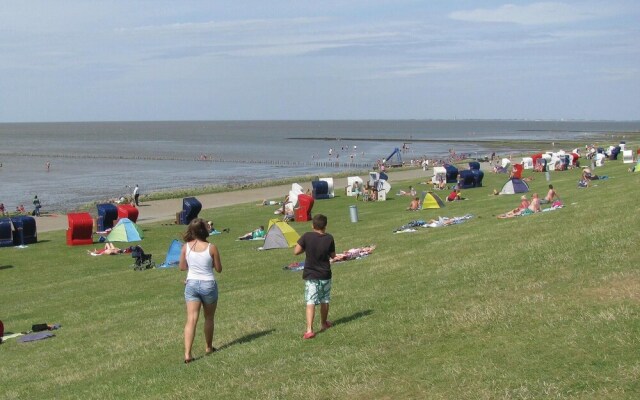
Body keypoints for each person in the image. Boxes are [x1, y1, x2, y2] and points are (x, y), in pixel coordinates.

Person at [179, 218, 223, 363]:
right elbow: (219, 269)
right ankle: (209, 347)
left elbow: (182, 267)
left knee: (191, 319)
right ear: (204, 230)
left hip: (191, 284)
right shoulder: (211, 247)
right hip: (208, 284)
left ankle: (187, 354)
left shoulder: (186, 247)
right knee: (209, 318)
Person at [293, 214, 336, 340]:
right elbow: (333, 255)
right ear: (325, 226)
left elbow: (296, 251)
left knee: (310, 301)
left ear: (313, 225)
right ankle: (323, 323)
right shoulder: (329, 238)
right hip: (325, 274)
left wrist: (305, 248)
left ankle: (309, 330)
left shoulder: (307, 236)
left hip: (311, 275)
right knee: (325, 299)